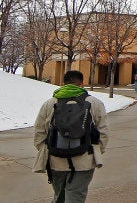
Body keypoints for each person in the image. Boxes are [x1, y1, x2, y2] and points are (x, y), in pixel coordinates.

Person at [33, 70, 109, 203]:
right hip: (84, 160)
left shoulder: (50, 103)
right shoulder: (94, 103)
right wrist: (95, 151)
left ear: (64, 83)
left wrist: (47, 149)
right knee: (75, 195)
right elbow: (103, 132)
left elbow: (39, 132)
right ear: (82, 83)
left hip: (55, 160)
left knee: (59, 197)